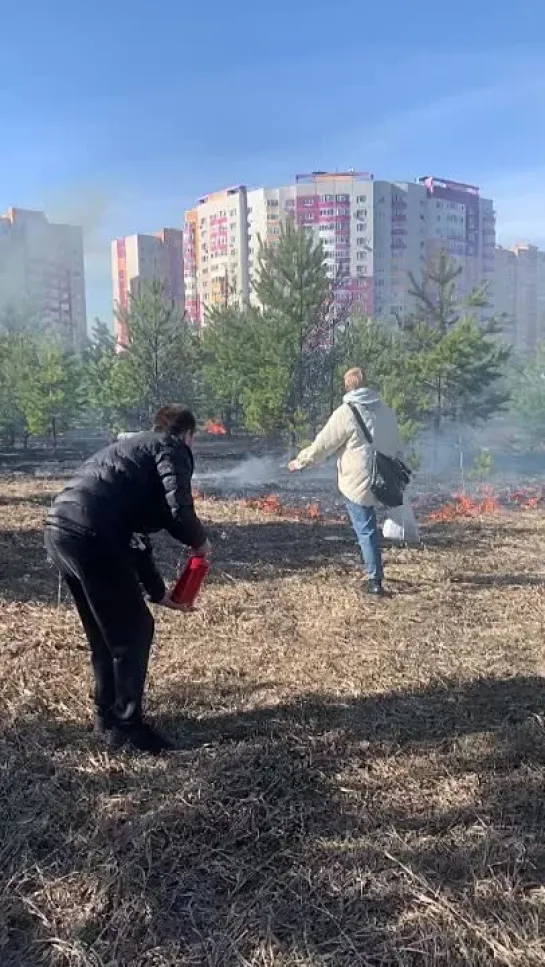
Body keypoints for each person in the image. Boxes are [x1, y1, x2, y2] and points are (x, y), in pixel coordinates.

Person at [45, 404, 210, 754]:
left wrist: (157, 592)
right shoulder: (170, 448)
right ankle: (128, 728)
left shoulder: (134, 452)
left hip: (61, 527)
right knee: (134, 630)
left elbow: (136, 536)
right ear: (188, 434)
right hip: (92, 532)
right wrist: (199, 540)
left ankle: (107, 718)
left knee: (107, 634)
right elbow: (179, 510)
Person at [289, 368, 401, 596]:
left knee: (366, 528)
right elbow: (395, 442)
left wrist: (300, 461)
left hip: (358, 479)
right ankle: (374, 570)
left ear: (347, 386)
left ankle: (374, 580)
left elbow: (323, 444)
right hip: (385, 475)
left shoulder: (346, 412)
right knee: (373, 525)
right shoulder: (385, 410)